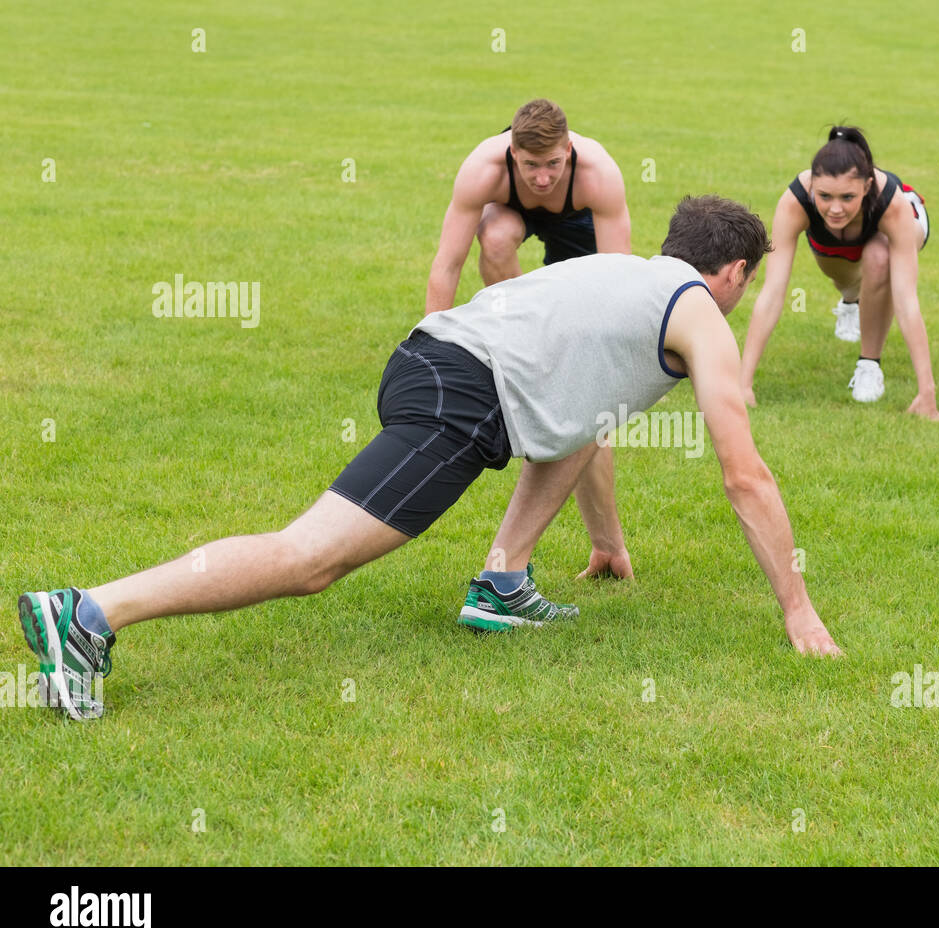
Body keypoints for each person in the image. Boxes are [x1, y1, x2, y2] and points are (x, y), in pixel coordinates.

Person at [19, 196, 842, 721]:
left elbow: (587, 420)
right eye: (742, 283)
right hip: (461, 391)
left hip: (440, 360)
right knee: (310, 558)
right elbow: (745, 474)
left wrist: (610, 544)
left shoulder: (623, 279)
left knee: (580, 422)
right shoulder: (700, 314)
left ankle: (504, 583)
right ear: (734, 272)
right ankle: (88, 615)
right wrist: (798, 608)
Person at [740, 126, 939, 420]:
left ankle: (869, 365)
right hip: (838, 243)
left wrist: (928, 394)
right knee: (841, 276)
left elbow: (907, 302)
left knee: (878, 256)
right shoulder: (795, 202)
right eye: (824, 196)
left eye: (848, 197)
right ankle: (850, 301)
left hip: (899, 223)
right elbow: (772, 293)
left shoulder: (891, 204)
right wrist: (743, 384)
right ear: (812, 190)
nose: (835, 208)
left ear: (867, 186)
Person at [424, 98, 631, 314]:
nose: (542, 179)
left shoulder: (598, 174)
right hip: (509, 211)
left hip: (576, 216)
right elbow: (448, 266)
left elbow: (619, 274)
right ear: (514, 152)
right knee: (496, 237)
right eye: (531, 164)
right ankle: (515, 324)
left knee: (578, 300)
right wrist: (422, 344)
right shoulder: (484, 170)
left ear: (568, 149)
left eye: (553, 163)